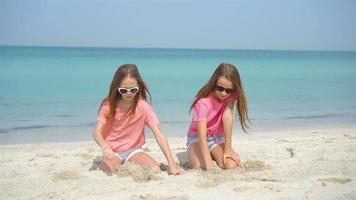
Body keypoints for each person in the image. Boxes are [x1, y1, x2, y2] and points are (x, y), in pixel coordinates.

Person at [93, 64, 181, 175]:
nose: (129, 93)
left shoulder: (143, 107)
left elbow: (159, 134)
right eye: (124, 90)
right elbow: (96, 132)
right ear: (117, 87)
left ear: (138, 86)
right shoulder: (109, 106)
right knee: (107, 171)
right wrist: (104, 146)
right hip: (113, 151)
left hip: (134, 151)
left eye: (133, 89)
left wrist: (172, 165)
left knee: (155, 170)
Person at [187, 63, 249, 170]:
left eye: (228, 90)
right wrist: (208, 163)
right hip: (197, 137)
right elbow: (201, 134)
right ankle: (207, 154)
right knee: (201, 166)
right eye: (220, 88)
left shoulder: (231, 96)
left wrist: (228, 148)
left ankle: (214, 153)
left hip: (217, 138)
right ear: (214, 83)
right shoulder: (203, 102)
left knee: (231, 165)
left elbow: (227, 116)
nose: (224, 93)